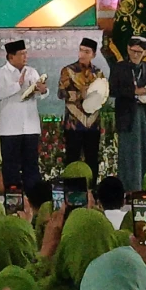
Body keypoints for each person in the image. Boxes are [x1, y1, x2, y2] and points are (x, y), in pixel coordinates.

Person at [0, 40, 48, 191]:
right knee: (11, 165)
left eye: (26, 53)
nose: (25, 56)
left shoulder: (32, 71)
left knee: (31, 164)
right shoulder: (1, 73)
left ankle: (33, 196)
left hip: (30, 126)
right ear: (11, 57)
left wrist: (42, 91)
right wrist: (18, 84)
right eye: (22, 54)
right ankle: (14, 200)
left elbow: (38, 96)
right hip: (9, 128)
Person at [109, 36, 146, 191]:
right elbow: (112, 90)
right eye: (132, 50)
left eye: (139, 51)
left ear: (145, 52)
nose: (135, 54)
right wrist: (134, 92)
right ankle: (129, 190)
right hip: (128, 117)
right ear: (127, 50)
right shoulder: (119, 68)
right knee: (129, 154)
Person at [58, 37, 104, 187]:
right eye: (81, 50)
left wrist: (92, 96)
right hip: (74, 123)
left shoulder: (98, 73)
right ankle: (71, 191)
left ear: (93, 54)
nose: (83, 54)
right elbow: (61, 93)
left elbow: (103, 95)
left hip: (93, 123)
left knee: (92, 159)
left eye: (87, 51)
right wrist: (80, 95)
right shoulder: (68, 70)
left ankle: (92, 190)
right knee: (72, 159)